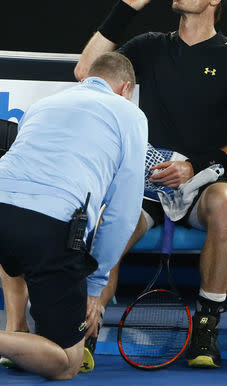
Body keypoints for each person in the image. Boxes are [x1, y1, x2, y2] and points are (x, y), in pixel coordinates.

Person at [73, 0, 227, 369]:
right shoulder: (149, 47)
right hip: (148, 185)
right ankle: (86, 329)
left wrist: (193, 166)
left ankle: (206, 327)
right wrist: (125, 7)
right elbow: (87, 71)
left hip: (202, 183)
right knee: (110, 219)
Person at [0, 51, 148, 380]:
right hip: (49, 226)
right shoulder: (129, 114)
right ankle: (15, 337)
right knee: (67, 362)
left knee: (13, 237)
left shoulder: (44, 105)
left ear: (85, 79)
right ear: (126, 88)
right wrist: (93, 288)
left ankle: (17, 327)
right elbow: (123, 214)